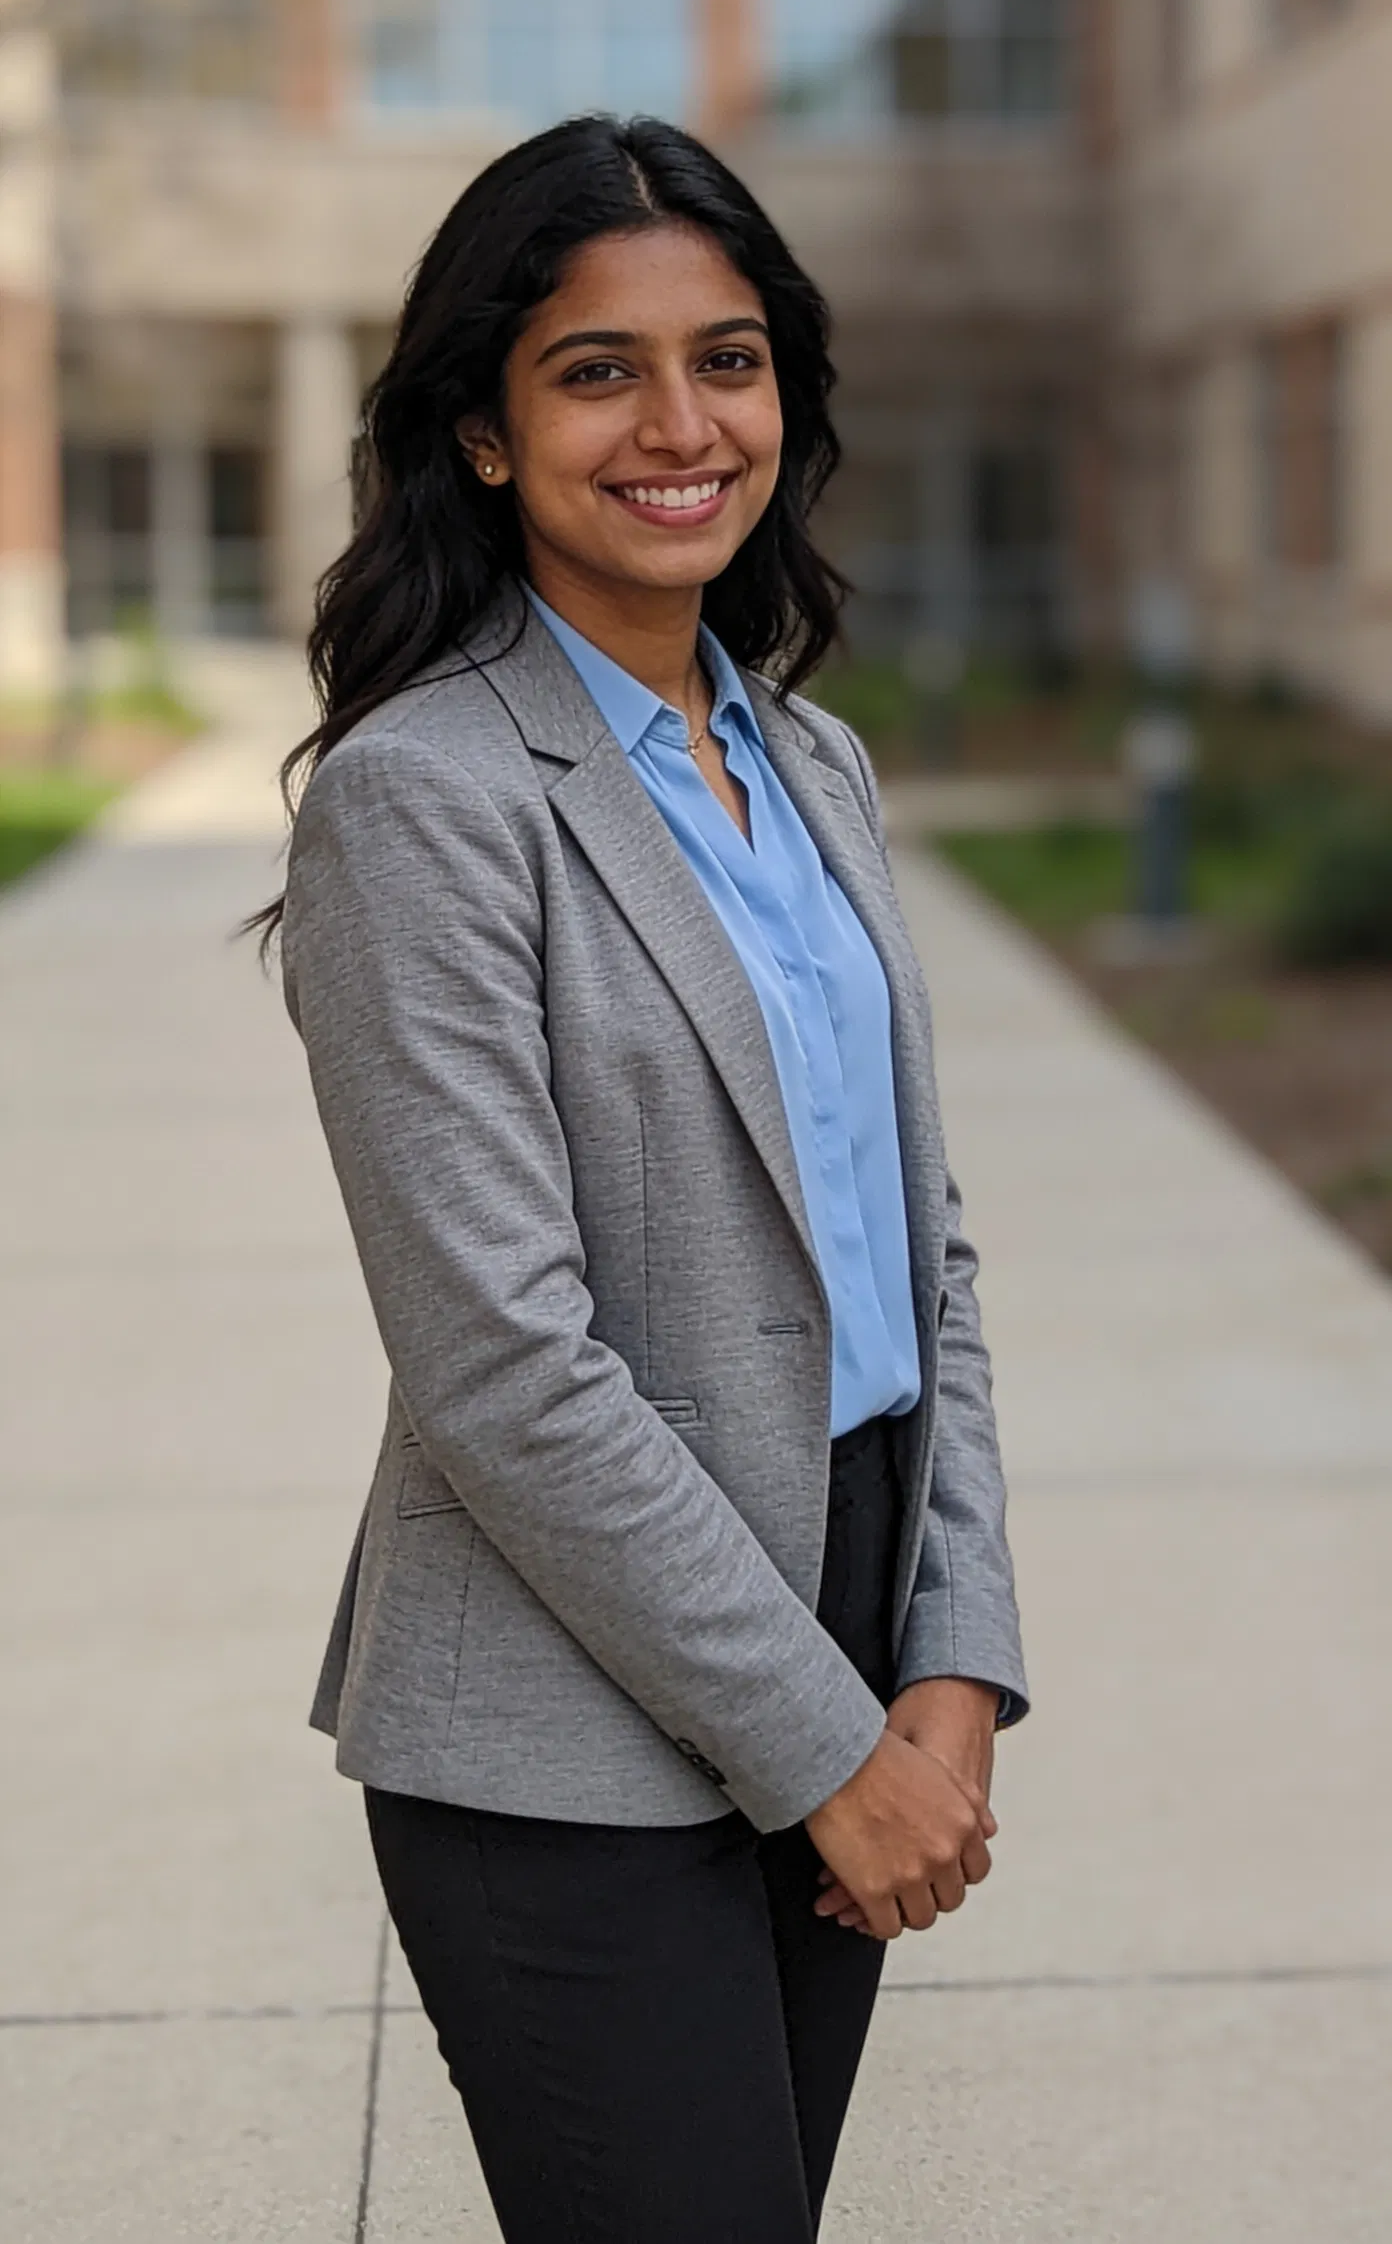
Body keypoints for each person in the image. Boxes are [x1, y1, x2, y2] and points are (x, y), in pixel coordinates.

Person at [268, 113, 1027, 2242]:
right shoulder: (423, 802)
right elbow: (500, 1365)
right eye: (596, 370)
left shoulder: (810, 760)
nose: (679, 424)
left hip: (859, 1602)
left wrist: (949, 1661)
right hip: (566, 1714)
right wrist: (820, 1752)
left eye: (730, 358)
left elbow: (924, 1252)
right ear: (485, 434)